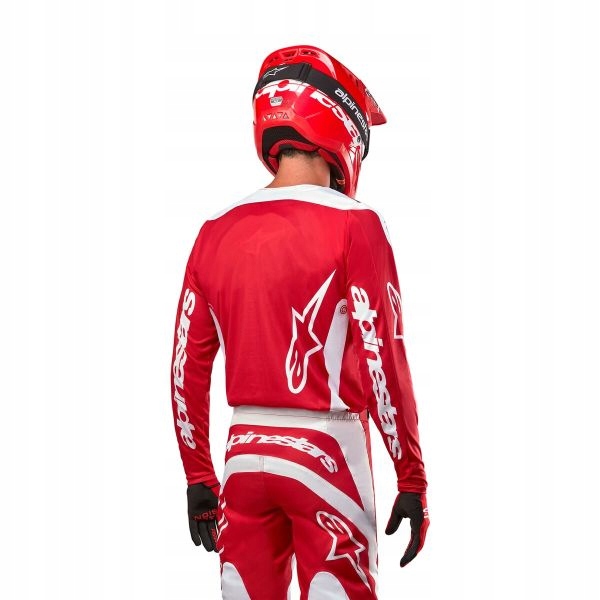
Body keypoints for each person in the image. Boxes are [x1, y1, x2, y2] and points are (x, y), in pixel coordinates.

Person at [170, 45, 429, 600]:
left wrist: (198, 476)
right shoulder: (356, 224)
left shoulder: (213, 230)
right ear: (342, 128)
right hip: (328, 453)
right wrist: (411, 475)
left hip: (243, 454)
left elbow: (185, 368)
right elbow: (384, 358)